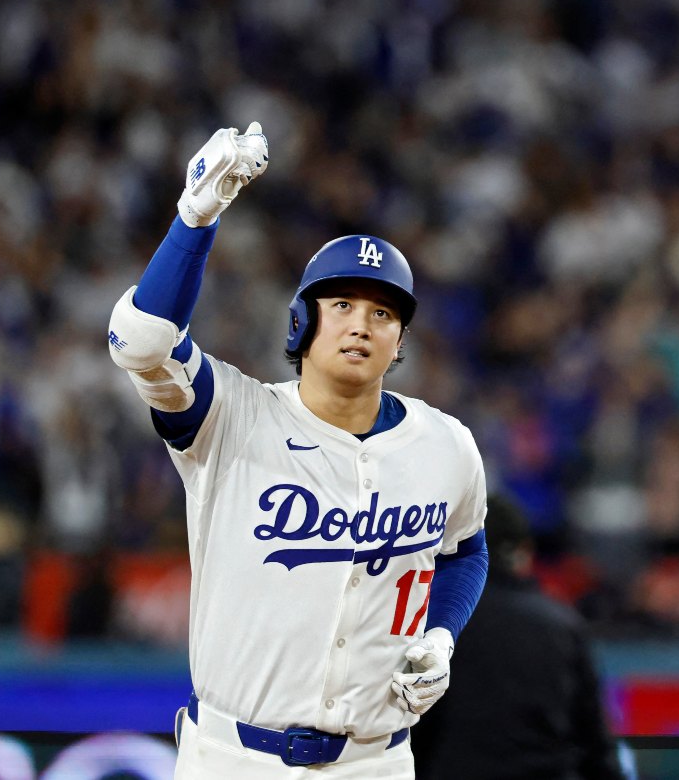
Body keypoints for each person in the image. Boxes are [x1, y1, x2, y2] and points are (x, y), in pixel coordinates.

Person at [107, 121, 489, 779]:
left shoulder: (446, 444)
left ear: (400, 342)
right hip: (233, 759)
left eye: (383, 313)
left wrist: (441, 635)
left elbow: (467, 551)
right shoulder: (231, 414)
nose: (362, 325)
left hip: (375, 762)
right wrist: (194, 219)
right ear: (301, 320)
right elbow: (141, 343)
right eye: (341, 304)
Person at [411, 493, 631, 780]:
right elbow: (596, 745)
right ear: (524, 550)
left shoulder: (435, 628)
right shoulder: (562, 625)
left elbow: (412, 731)